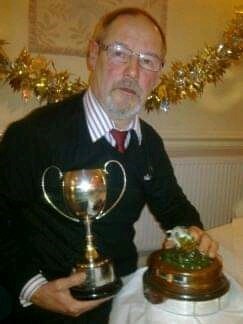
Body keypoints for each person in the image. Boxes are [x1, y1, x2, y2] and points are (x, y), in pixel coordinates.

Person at [0, 7, 219, 324]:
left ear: (157, 75)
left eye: (147, 61)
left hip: (123, 298)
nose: (132, 71)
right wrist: (34, 289)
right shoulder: (33, 135)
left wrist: (192, 233)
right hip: (45, 304)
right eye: (120, 53)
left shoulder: (149, 144)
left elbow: (174, 207)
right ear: (93, 55)